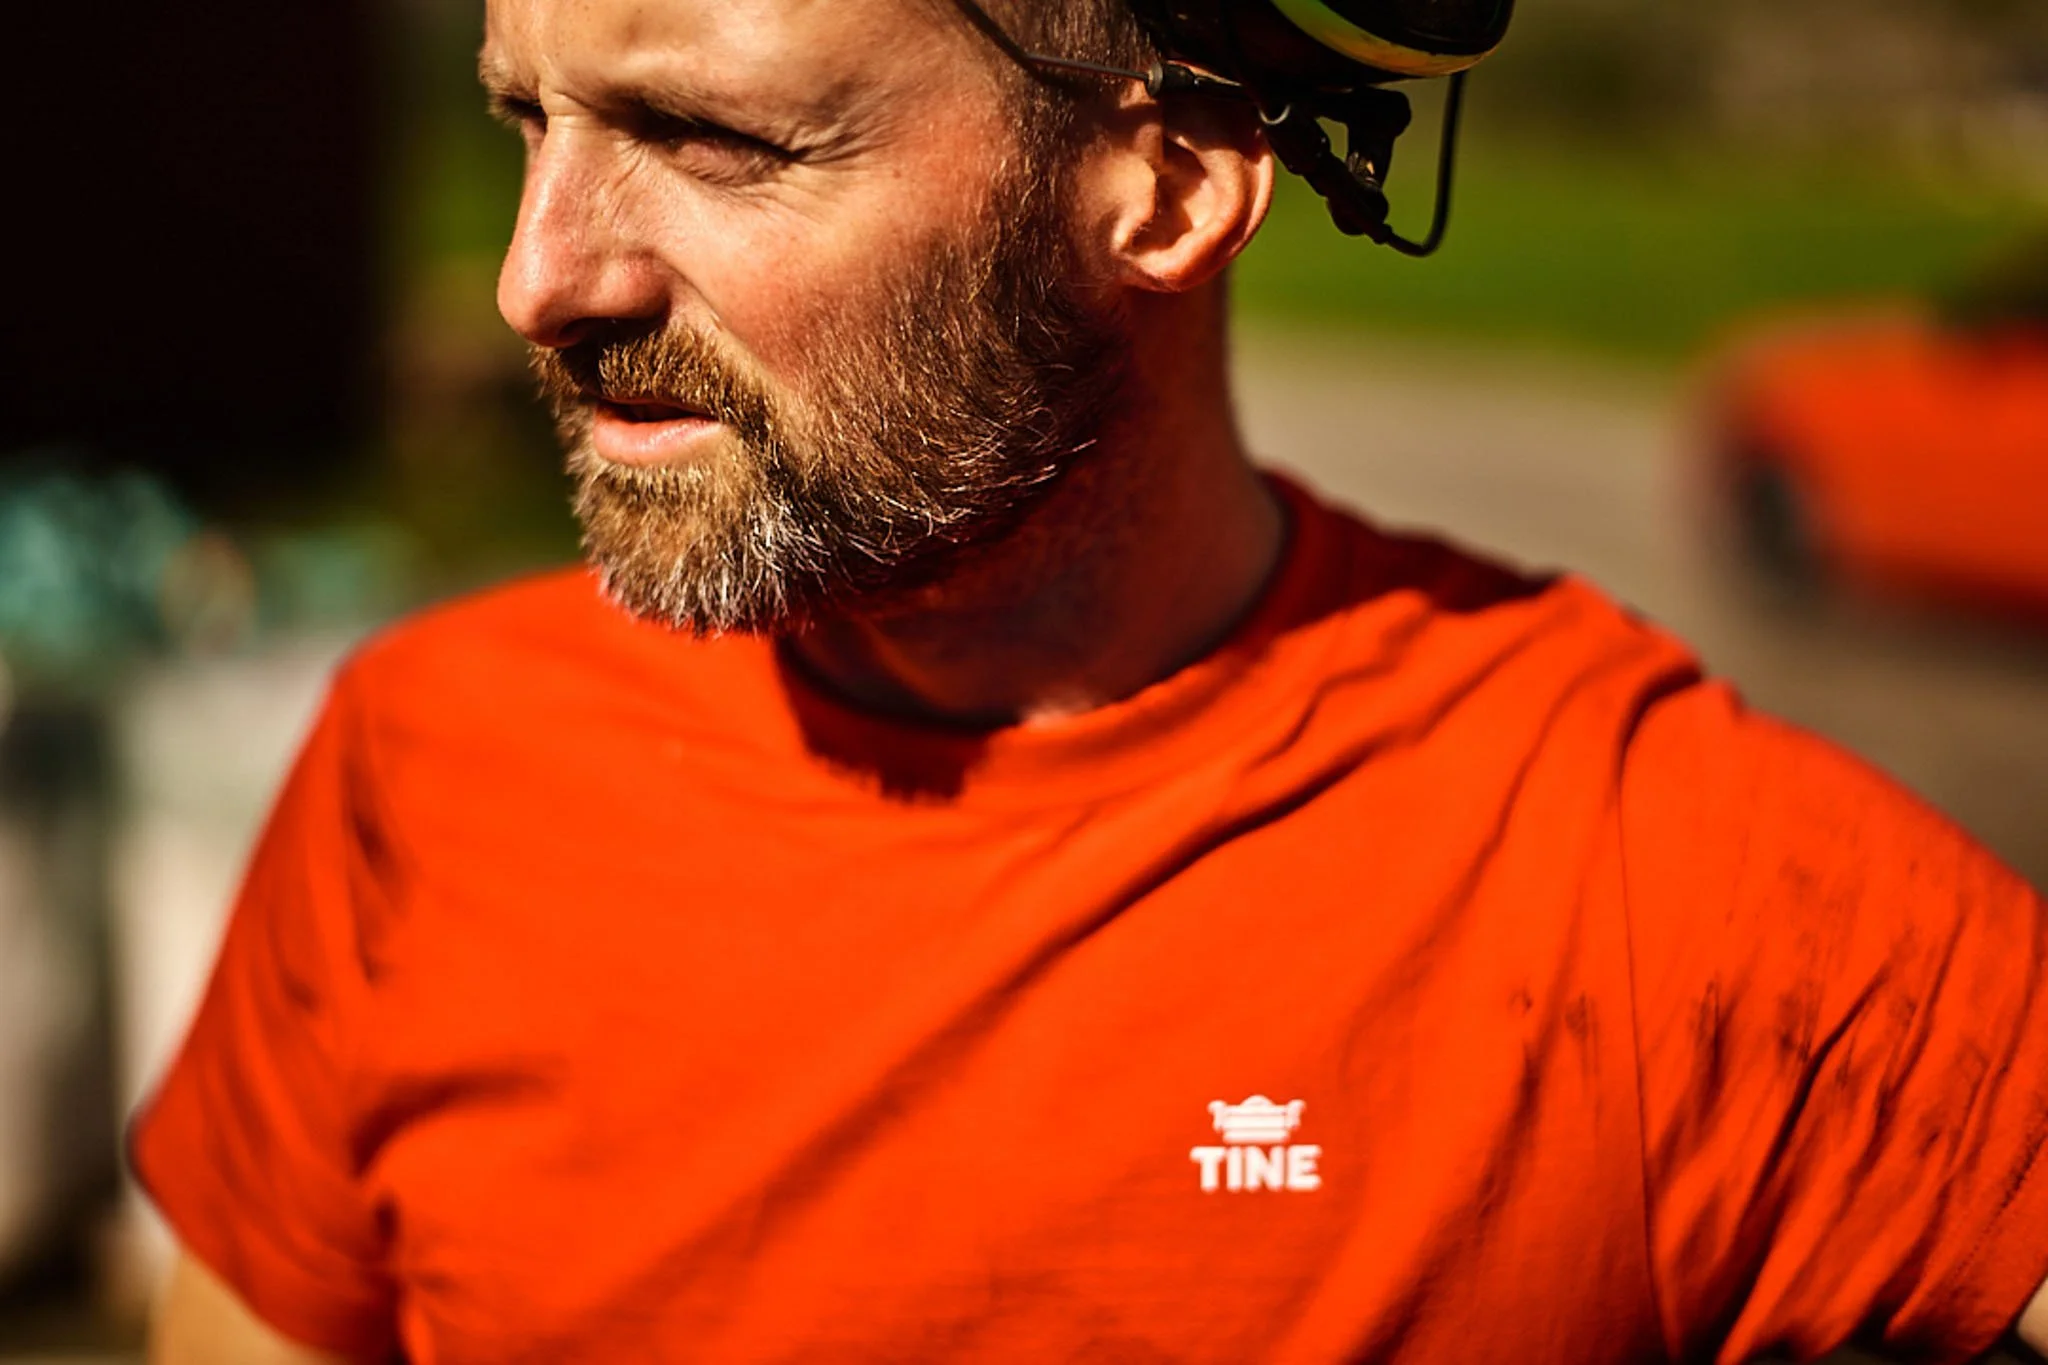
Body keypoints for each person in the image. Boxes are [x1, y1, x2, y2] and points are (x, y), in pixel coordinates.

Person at [133, 0, 2048, 1360]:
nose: (539, 279)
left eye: (714, 140)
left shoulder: (1651, 880)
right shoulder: (429, 764)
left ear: (1172, 181)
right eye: (525, 122)